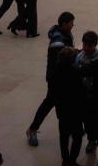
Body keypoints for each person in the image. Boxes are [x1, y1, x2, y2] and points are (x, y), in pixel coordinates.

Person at [26, 13, 75, 148]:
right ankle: (32, 129)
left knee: (61, 102)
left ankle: (69, 128)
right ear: (64, 24)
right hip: (57, 78)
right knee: (50, 103)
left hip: (60, 77)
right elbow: (62, 60)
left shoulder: (63, 34)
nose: (73, 25)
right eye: (71, 23)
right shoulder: (58, 41)